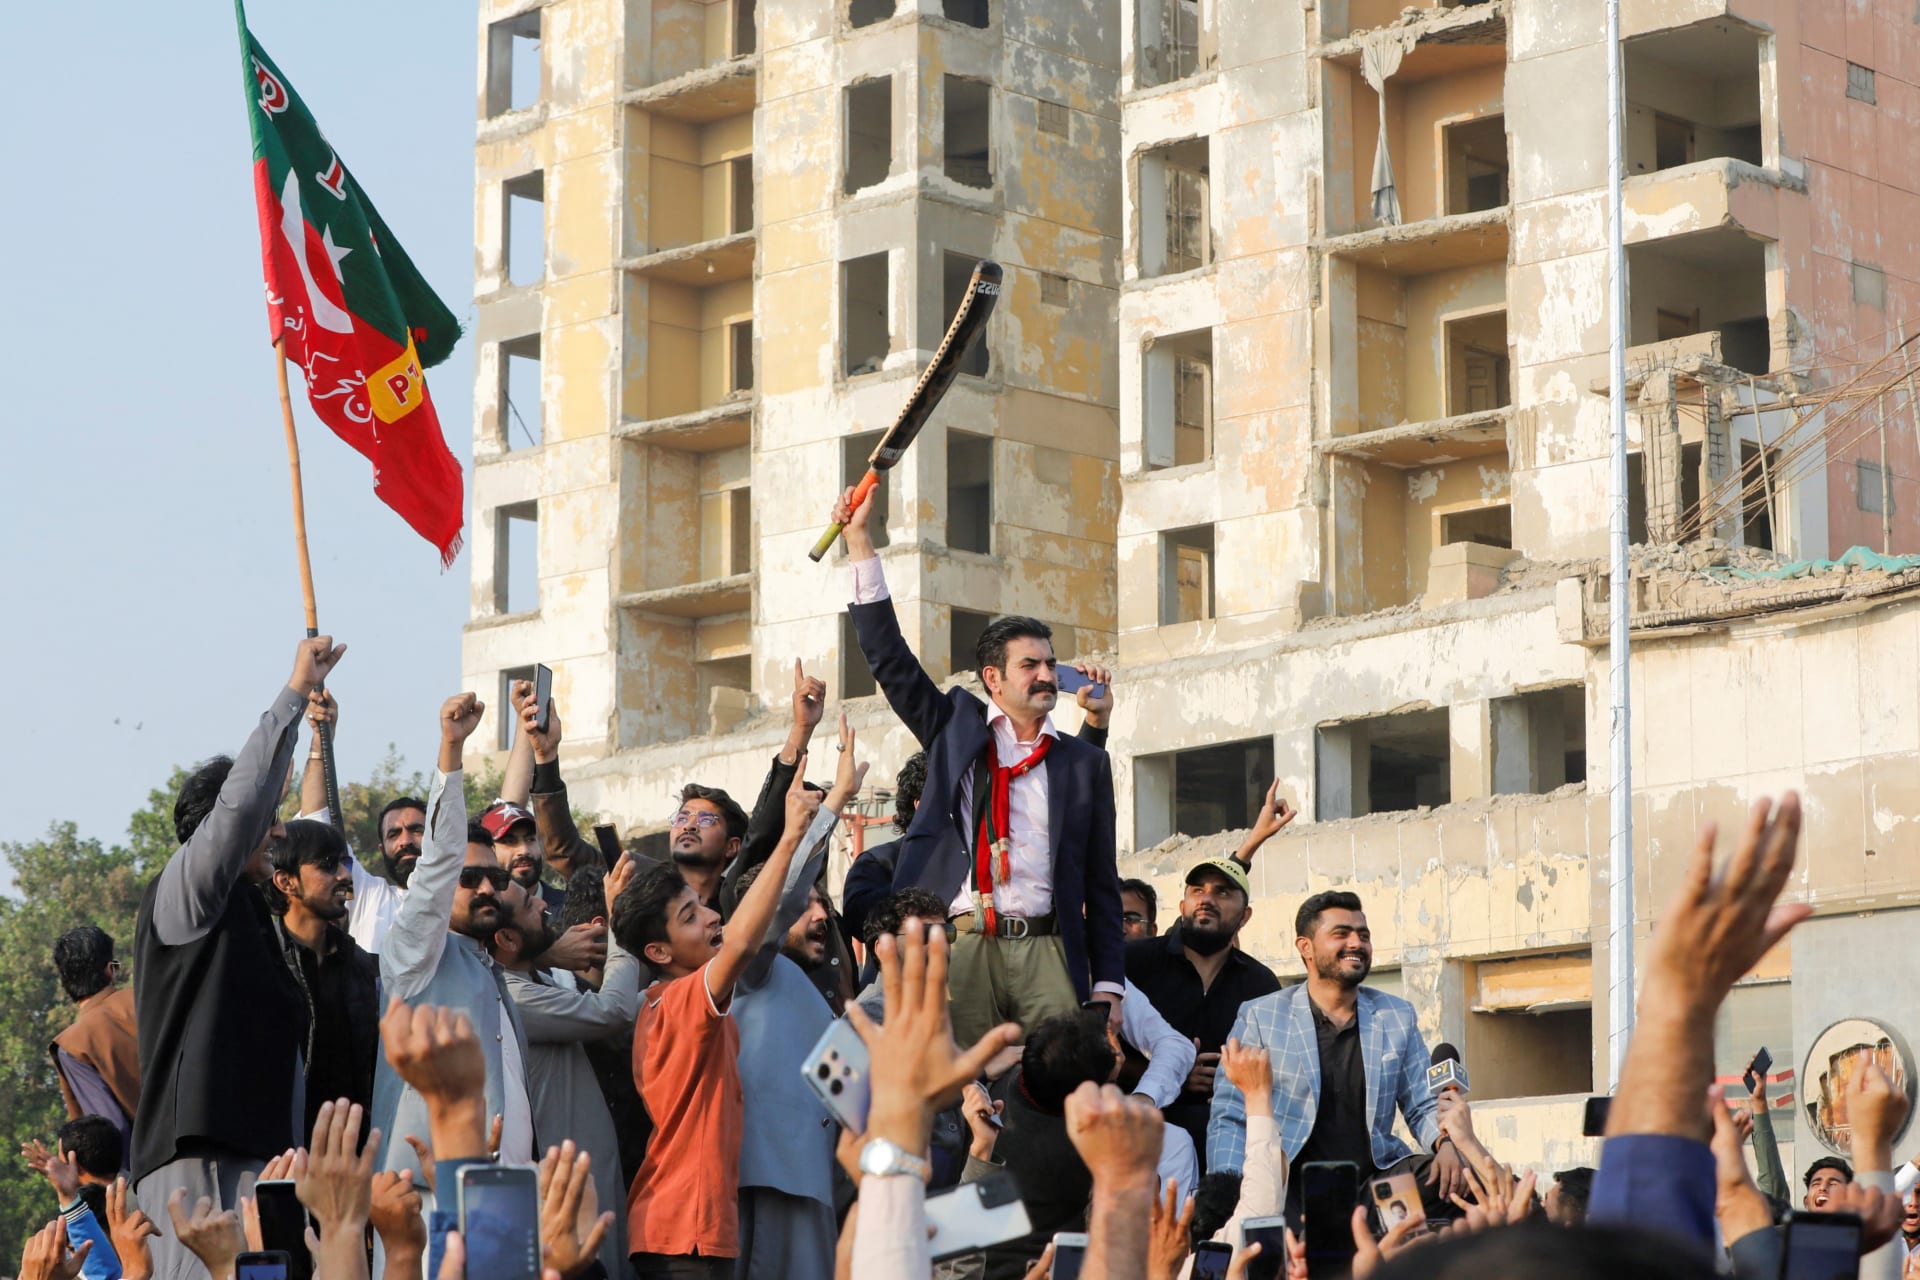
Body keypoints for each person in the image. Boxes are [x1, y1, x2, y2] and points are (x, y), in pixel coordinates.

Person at [832, 486, 1125, 1048]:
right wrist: (860, 541)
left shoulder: (1081, 763)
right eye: (1029, 665)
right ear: (993, 679)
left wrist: (1109, 981)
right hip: (961, 943)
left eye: (1050, 664)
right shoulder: (955, 730)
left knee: (1056, 1090)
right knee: (957, 1087)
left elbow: (1101, 883)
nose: (1045, 676)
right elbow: (889, 657)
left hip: (1049, 949)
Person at [132, 635, 342, 1280]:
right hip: (198, 1166)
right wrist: (291, 696)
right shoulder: (186, 895)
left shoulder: (256, 914)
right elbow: (241, 807)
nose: (279, 831)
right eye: (269, 818)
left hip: (267, 1166)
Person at [613, 760, 823, 1279]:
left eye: (698, 906)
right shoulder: (679, 1002)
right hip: (683, 1232)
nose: (711, 916)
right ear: (658, 951)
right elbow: (747, 940)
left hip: (693, 1229)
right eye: (690, 916)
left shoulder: (673, 1000)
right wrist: (795, 832)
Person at [1207, 890, 1465, 1229]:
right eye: (1341, 933)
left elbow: (1421, 1104)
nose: (1356, 943)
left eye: (1364, 934)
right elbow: (1230, 1113)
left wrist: (1447, 1143)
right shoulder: (1262, 1016)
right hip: (1291, 1191)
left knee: (1464, 1180)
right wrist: (1227, 1187)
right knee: (1256, 1233)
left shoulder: (1395, 1015)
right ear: (1306, 947)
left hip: (1377, 1188)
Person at [371, 691, 537, 1181]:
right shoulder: (415, 954)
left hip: (502, 1193)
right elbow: (439, 862)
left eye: (496, 879)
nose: (486, 888)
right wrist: (451, 750)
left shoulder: (489, 969)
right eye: (468, 880)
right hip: (420, 1198)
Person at [731, 715, 867, 1280]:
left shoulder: (821, 999)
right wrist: (833, 803)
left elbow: (854, 1102)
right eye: (804, 903)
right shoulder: (751, 972)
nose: (818, 913)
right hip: (771, 1182)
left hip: (822, 1186)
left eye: (822, 902)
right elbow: (778, 900)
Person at [492, 850, 641, 1277]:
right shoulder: (514, 997)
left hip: (591, 1178)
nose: (543, 903)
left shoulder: (530, 980)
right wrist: (620, 926)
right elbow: (613, 1012)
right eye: (528, 905)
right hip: (569, 1196)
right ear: (505, 939)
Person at [1124, 856, 1282, 1176]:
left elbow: (1276, 1074)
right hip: (1141, 1146)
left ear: (1245, 915)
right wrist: (1173, 1077)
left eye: (1223, 892)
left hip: (1231, 1156)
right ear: (1183, 905)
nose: (1207, 899)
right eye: (1198, 890)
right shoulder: (1133, 963)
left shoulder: (1261, 984)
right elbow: (1100, 1052)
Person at [262, 818, 380, 1138]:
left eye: (345, 863)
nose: (344, 875)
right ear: (286, 882)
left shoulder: (363, 967)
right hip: (283, 1156)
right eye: (328, 865)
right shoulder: (263, 963)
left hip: (357, 1153)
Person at [296, 691, 408, 955]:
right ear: (382, 849)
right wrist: (321, 740)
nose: (405, 841)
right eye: (394, 834)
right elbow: (316, 822)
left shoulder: (461, 897)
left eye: (417, 831)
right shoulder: (370, 897)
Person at [49, 926, 140, 1152]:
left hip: (159, 1170)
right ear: (110, 970)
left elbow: (110, 1131)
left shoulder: (73, 1045)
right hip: (228, 1133)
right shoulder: (148, 999)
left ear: (65, 981)